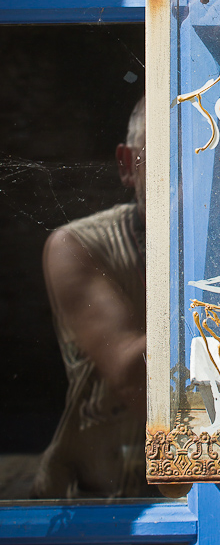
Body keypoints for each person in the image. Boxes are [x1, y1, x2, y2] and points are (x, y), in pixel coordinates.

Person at [31, 97, 152, 499]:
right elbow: (134, 378)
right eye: (165, 156)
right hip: (99, 499)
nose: (184, 176)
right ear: (127, 164)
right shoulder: (78, 245)